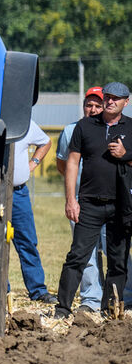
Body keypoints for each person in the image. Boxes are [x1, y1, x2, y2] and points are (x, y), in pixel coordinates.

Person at [56, 81, 132, 319]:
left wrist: (125, 154)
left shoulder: (131, 128)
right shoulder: (84, 126)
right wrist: (71, 199)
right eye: (107, 97)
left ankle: (111, 309)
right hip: (89, 202)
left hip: (121, 205)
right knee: (77, 257)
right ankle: (62, 309)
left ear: (125, 102)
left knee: (118, 261)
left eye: (116, 98)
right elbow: (71, 163)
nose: (110, 101)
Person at [58, 88, 106, 312]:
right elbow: (63, 163)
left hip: (108, 200)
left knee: (116, 249)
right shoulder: (70, 131)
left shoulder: (111, 130)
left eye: (98, 105)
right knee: (85, 254)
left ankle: (123, 296)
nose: (93, 109)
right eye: (89, 105)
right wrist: (72, 194)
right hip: (80, 201)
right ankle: (92, 299)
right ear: (83, 105)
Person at [10, 118, 53, 304]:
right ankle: (1, 291)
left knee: (27, 242)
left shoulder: (23, 122)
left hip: (18, 193)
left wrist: (33, 163)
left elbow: (45, 142)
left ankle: (37, 290)